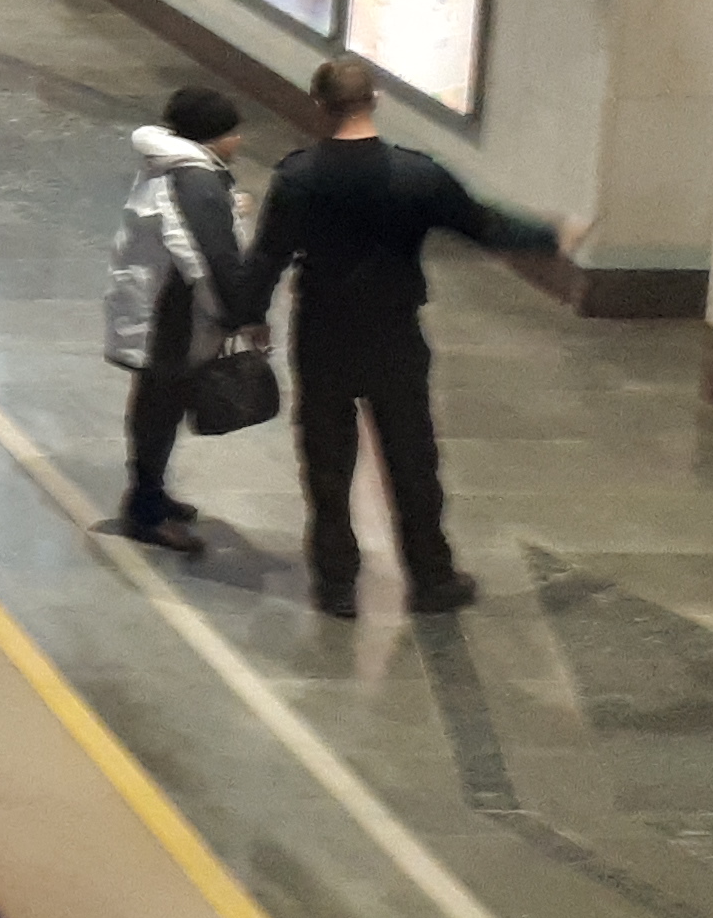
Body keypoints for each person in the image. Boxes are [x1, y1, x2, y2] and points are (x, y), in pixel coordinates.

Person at [231, 56, 580, 618]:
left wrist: (248, 314)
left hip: (323, 333)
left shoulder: (298, 177)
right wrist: (550, 235)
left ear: (319, 106)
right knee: (412, 457)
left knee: (326, 461)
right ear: (375, 101)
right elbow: (482, 224)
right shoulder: (418, 175)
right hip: (394, 333)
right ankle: (431, 577)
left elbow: (267, 256)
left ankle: (336, 583)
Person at [107, 88, 262, 555]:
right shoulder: (196, 182)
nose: (238, 140)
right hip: (170, 318)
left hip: (159, 309)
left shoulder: (175, 167)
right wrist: (240, 316)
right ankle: (145, 512)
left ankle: (151, 491)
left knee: (159, 406)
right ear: (212, 136)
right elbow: (205, 258)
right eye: (232, 132)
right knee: (159, 408)